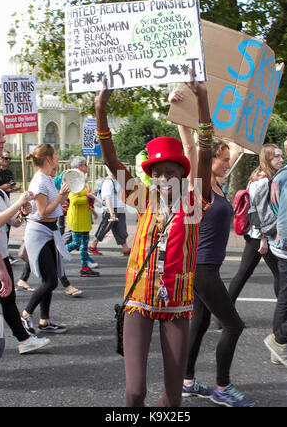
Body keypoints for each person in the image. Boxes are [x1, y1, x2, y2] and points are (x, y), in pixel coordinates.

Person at [95, 73, 213, 407]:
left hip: (176, 302)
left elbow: (204, 148)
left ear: (182, 174)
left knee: (172, 398)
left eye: (170, 172)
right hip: (139, 300)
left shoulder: (195, 202)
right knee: (135, 392)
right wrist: (101, 110)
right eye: (156, 173)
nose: (162, 179)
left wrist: (201, 100)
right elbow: (111, 162)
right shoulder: (142, 199)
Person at [169, 92, 253, 407]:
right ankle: (222, 387)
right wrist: (179, 111)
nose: (229, 164)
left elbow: (232, 146)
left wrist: (239, 146)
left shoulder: (218, 184)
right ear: (211, 161)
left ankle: (187, 381)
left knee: (201, 322)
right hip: (202, 267)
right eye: (225, 160)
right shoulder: (202, 184)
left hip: (204, 266)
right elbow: (191, 147)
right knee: (234, 325)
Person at [0, 118, 50, 354]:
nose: (3, 139)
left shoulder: (1, 196)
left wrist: (21, 211)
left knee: (8, 299)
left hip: (2, 254)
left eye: (3, 134)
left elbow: (13, 222)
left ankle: (23, 338)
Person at [21, 143, 72, 335]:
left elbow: (50, 206)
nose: (58, 158)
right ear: (49, 158)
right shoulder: (40, 182)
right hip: (39, 233)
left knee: (48, 279)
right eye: (56, 155)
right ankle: (26, 314)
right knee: (50, 281)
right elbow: (42, 212)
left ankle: (45, 321)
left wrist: (60, 202)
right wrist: (60, 197)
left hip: (49, 232)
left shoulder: (47, 179)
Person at [228, 144, 283, 305]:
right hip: (260, 235)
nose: (281, 159)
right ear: (268, 158)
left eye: (281, 155)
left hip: (255, 234)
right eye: (277, 156)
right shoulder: (264, 180)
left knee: (244, 272)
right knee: (280, 273)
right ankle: (284, 316)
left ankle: (224, 315)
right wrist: (264, 238)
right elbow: (257, 212)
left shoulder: (259, 176)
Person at [264, 133, 287, 369]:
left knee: (286, 299)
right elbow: (286, 220)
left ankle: (279, 345)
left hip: (285, 248)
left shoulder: (283, 175)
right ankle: (279, 341)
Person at [66, 156, 100, 277]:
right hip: (76, 217)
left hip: (84, 217)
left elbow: (85, 197)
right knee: (76, 243)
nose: (87, 166)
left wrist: (91, 200)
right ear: (78, 167)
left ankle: (84, 268)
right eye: (85, 164)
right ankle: (57, 256)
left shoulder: (82, 179)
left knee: (84, 244)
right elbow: (74, 200)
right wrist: (89, 197)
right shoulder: (73, 179)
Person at [89, 166, 130, 256]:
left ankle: (125, 249)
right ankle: (93, 246)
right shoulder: (108, 182)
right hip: (111, 210)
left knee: (121, 230)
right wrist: (111, 213)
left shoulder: (118, 181)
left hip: (120, 209)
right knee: (104, 228)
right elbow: (107, 198)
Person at [0, 150, 22, 264]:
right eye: (4, 158)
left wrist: (23, 213)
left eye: (9, 158)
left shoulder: (2, 195)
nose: (6, 160)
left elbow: (16, 222)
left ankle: (7, 254)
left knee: (6, 231)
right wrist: (18, 203)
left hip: (2, 258)